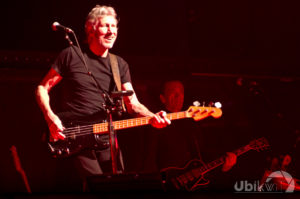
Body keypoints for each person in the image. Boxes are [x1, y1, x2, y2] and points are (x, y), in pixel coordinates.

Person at [35, 5, 170, 191]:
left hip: (106, 137)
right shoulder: (71, 55)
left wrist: (151, 116)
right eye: (106, 26)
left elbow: (133, 104)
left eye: (114, 27)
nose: (111, 31)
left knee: (118, 186)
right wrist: (50, 117)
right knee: (97, 186)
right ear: (91, 28)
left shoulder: (119, 65)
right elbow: (43, 87)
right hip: (75, 135)